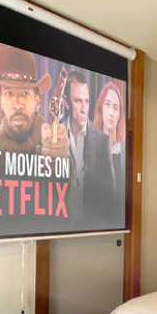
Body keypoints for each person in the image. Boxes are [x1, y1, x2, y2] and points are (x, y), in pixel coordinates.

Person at [0, 46, 68, 157]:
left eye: (25, 93)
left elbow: (66, 165)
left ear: (37, 101)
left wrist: (60, 159)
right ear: (1, 101)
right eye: (9, 93)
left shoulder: (53, 145)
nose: (18, 104)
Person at [64, 70, 116, 225]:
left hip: (91, 228)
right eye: (78, 101)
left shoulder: (102, 142)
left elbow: (111, 198)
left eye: (86, 101)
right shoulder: (53, 137)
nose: (83, 109)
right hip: (60, 226)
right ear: (66, 102)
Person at [92, 82, 126, 218]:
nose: (111, 112)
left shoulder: (124, 152)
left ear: (119, 115)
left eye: (115, 107)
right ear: (101, 109)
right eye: (107, 104)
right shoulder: (90, 150)